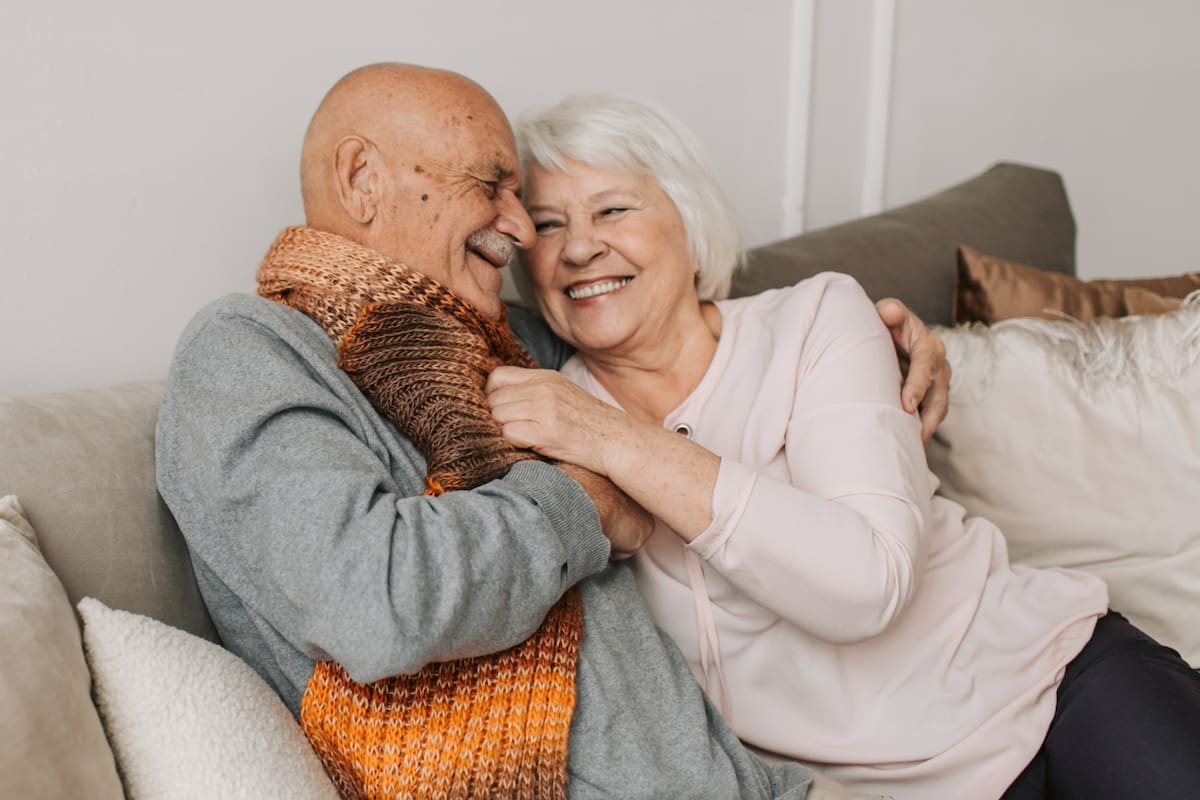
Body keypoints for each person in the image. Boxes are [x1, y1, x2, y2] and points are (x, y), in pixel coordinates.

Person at [155, 63, 947, 800]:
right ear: (362, 179)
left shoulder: (513, 342)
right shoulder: (249, 351)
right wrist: (586, 502)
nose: (524, 233)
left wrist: (891, 347)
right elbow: (374, 602)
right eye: (495, 188)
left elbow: (678, 332)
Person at [486, 93, 1200, 800]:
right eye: (547, 225)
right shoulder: (541, 414)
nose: (578, 248)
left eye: (613, 209)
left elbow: (867, 586)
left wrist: (615, 441)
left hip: (1052, 682)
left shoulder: (816, 318)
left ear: (688, 218)